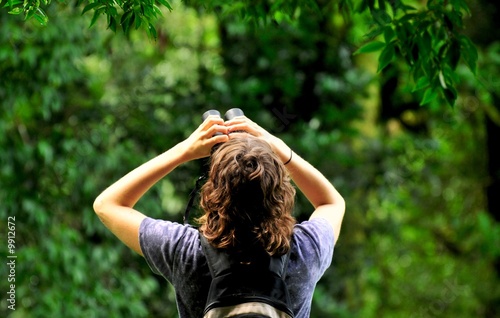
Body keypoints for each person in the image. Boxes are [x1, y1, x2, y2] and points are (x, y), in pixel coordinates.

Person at [93, 114, 346, 317]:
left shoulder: (184, 251)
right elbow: (331, 202)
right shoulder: (305, 250)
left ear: (211, 191)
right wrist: (281, 150)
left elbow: (107, 205)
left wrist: (184, 151)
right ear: (281, 193)